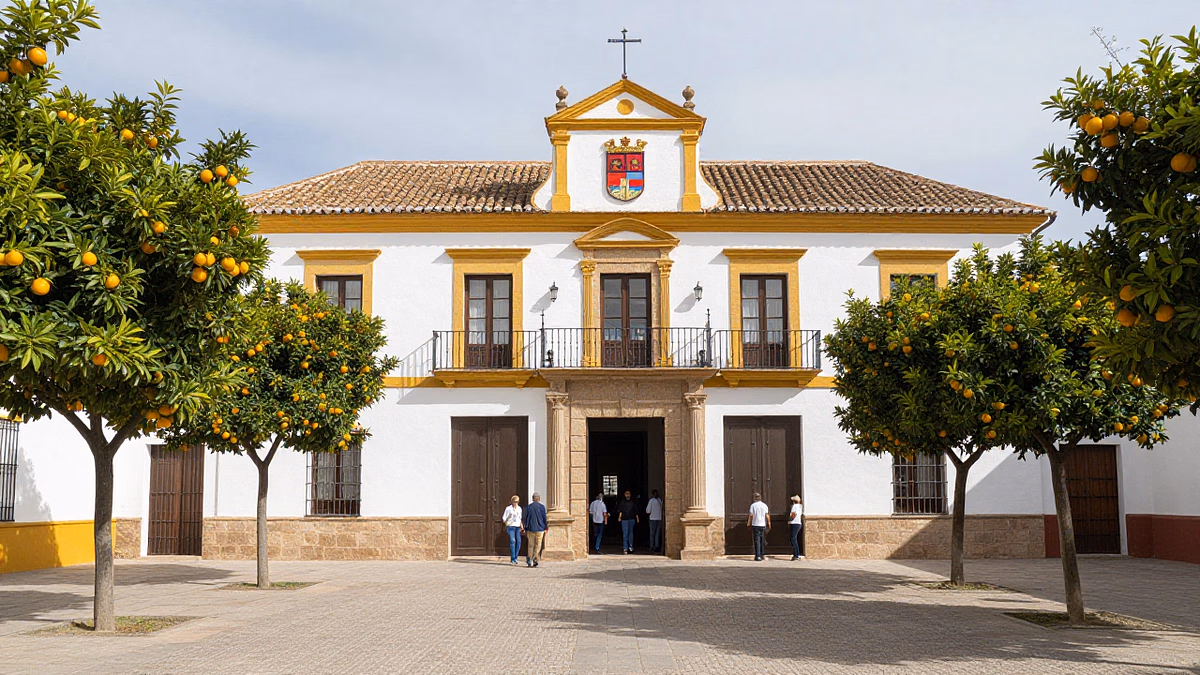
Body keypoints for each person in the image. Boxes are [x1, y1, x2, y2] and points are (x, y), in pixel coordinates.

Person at [523, 492, 548, 567]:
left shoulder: (529, 507)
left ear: (532, 499)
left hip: (531, 528)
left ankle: (529, 558)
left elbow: (527, 518)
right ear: (539, 498)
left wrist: (525, 528)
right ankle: (535, 559)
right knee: (538, 545)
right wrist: (546, 527)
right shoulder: (542, 507)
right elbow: (544, 518)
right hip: (540, 529)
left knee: (531, 545)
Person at [747, 492, 770, 561]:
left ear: (755, 498)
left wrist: (748, 523)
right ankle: (762, 554)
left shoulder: (753, 506)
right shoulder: (764, 505)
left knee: (757, 540)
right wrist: (769, 523)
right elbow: (767, 515)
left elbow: (751, 515)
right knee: (762, 540)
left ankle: (758, 556)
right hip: (763, 524)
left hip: (755, 524)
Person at [502, 495, 522, 565]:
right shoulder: (508, 508)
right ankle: (513, 558)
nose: (515, 503)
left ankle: (515, 557)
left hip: (517, 526)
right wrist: (507, 521)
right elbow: (504, 518)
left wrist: (521, 525)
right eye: (514, 502)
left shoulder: (519, 508)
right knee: (513, 540)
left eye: (517, 502)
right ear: (512, 502)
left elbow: (520, 518)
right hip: (510, 526)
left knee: (519, 541)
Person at [616, 490, 638, 554]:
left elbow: (636, 511)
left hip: (631, 519)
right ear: (625, 495)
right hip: (625, 519)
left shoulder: (633, 502)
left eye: (628, 494)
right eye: (626, 494)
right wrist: (619, 517)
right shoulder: (622, 503)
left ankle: (630, 547)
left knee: (630, 533)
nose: (627, 495)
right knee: (625, 534)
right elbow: (620, 511)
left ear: (630, 495)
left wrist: (637, 519)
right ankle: (625, 548)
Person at [788, 494, 804, 561]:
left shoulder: (795, 506)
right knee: (795, 539)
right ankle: (797, 554)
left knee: (793, 539)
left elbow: (793, 514)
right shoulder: (800, 506)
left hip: (794, 523)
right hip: (798, 523)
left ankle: (796, 555)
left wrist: (789, 520)